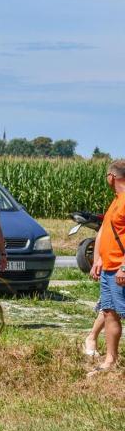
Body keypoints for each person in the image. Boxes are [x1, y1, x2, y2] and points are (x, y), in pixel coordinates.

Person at [86, 160, 125, 376]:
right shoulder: (116, 201)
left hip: (121, 269)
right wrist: (99, 258)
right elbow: (104, 231)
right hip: (109, 268)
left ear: (112, 176)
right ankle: (111, 360)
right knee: (110, 313)